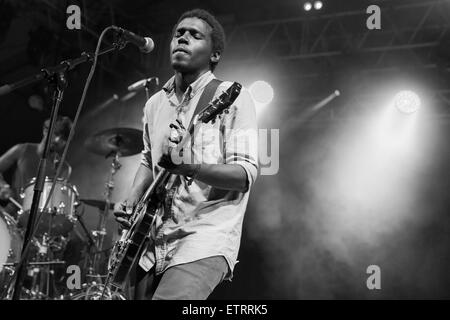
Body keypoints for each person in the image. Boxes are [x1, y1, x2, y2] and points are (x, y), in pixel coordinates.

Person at [114, 8, 259, 300]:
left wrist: (191, 167)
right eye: (179, 33)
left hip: (204, 237)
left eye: (195, 35)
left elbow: (245, 175)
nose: (183, 38)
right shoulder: (154, 104)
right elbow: (147, 159)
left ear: (214, 54)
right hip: (150, 242)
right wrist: (131, 198)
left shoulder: (232, 96)